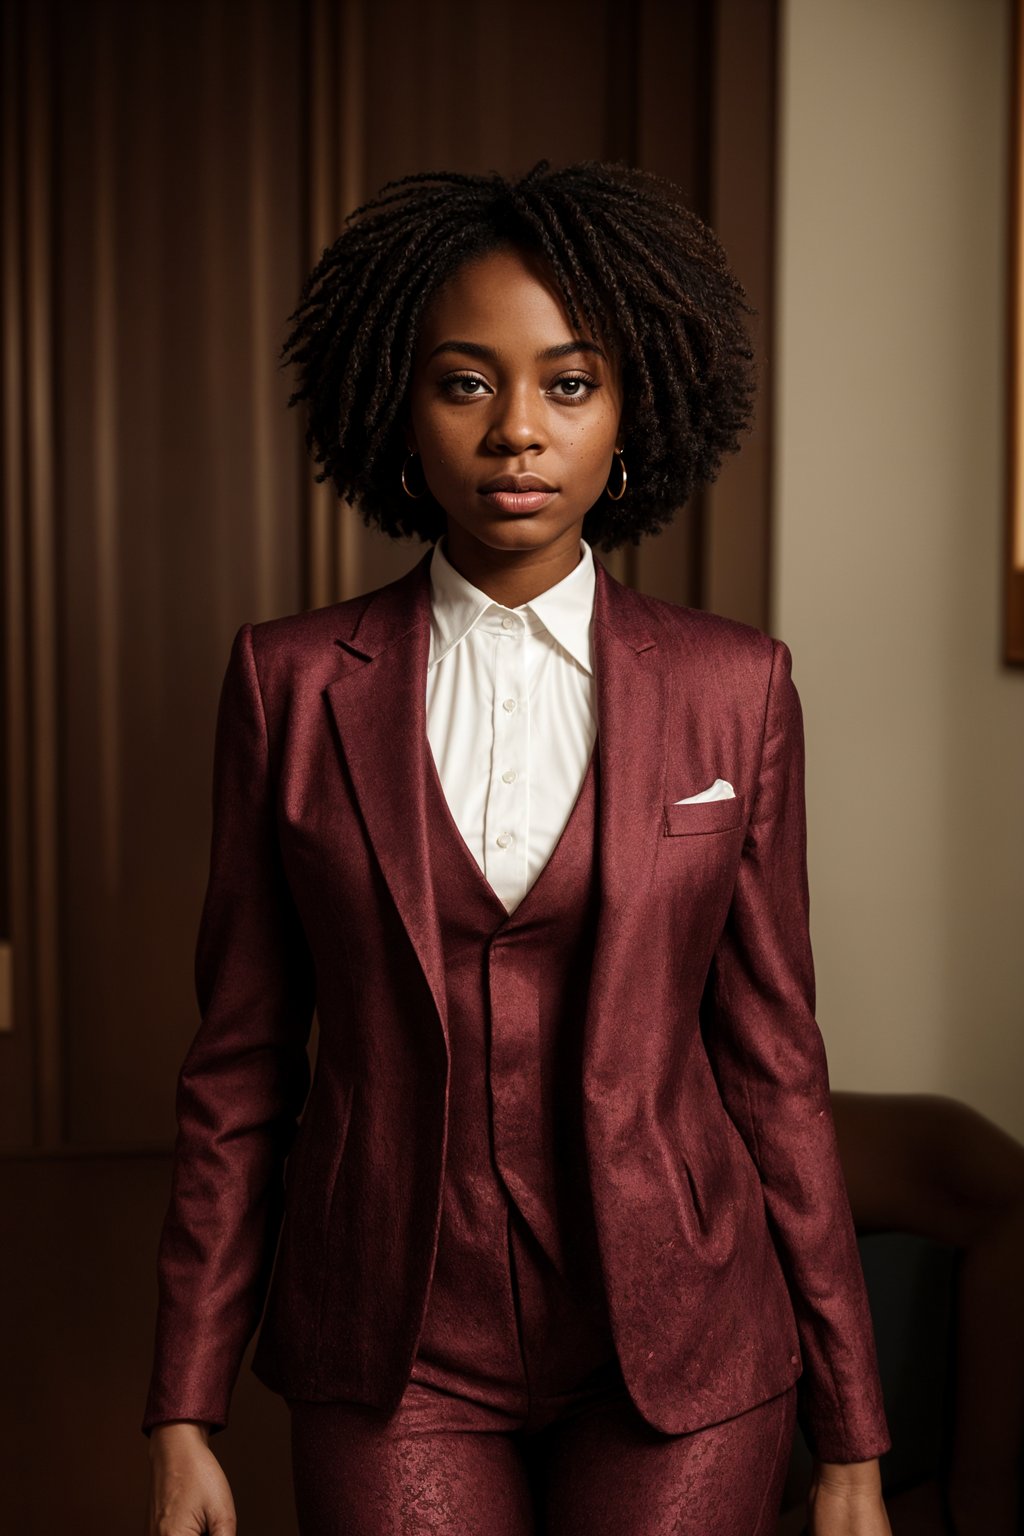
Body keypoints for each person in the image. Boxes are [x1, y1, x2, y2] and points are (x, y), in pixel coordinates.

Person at [143, 159, 894, 1536]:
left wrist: (853, 1438)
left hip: (685, 1343)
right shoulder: (290, 685)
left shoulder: (739, 687)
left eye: (568, 380)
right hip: (397, 1345)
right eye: (465, 382)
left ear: (632, 408)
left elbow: (776, 1064)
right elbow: (242, 1063)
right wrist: (184, 1408)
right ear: (399, 407)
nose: (517, 435)